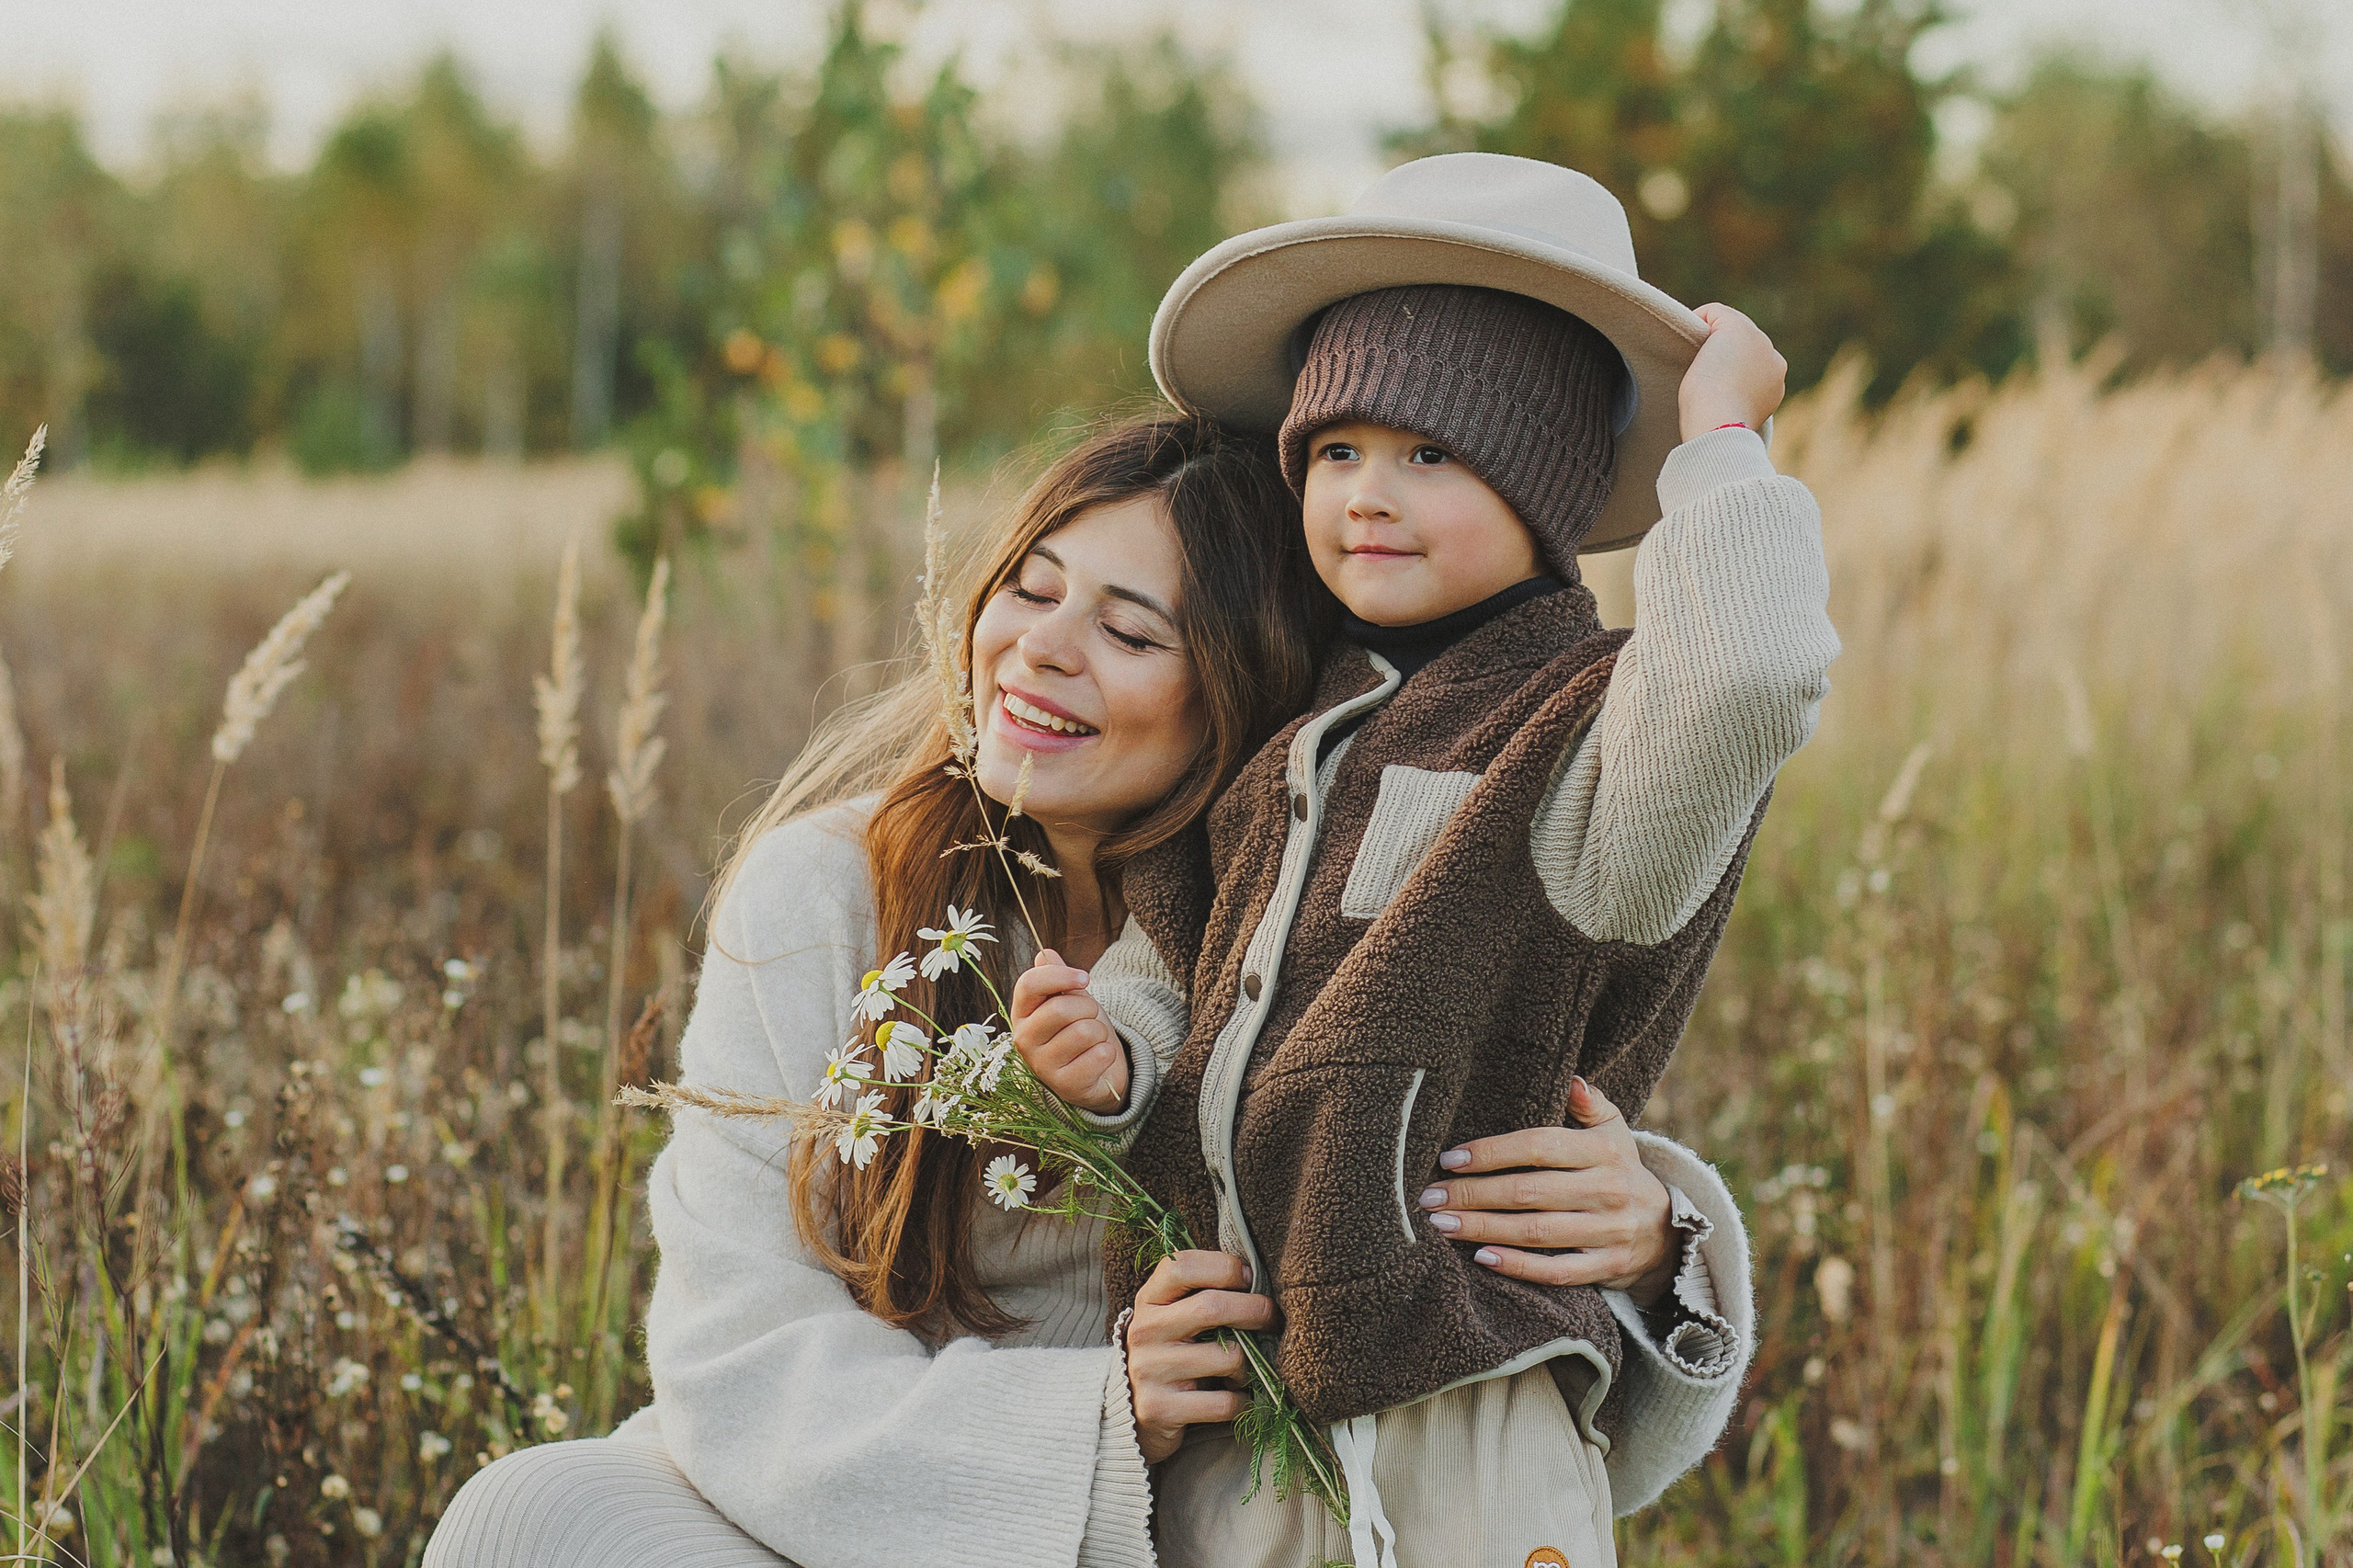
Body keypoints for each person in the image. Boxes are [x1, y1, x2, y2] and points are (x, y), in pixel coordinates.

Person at [424, 412, 1755, 1568]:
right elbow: (733, 1360)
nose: (1038, 651)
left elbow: (1453, 1385)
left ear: (1239, 701)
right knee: (536, 1515)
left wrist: (1657, 1246)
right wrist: (1105, 1412)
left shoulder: (1325, 940)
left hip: (1169, 1536)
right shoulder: (824, 896)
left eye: (1126, 630)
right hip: (847, 1509)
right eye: (1029, 587)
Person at [1015, 153, 1837, 1568]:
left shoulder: (1592, 734)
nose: (1366, 495)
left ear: (1547, 478)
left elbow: (1749, 674)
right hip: (1238, 1404)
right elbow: (1179, 960)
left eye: (1431, 454)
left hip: (1459, 1413)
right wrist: (1122, 1050)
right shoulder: (1289, 720)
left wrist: (1719, 440)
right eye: (1336, 451)